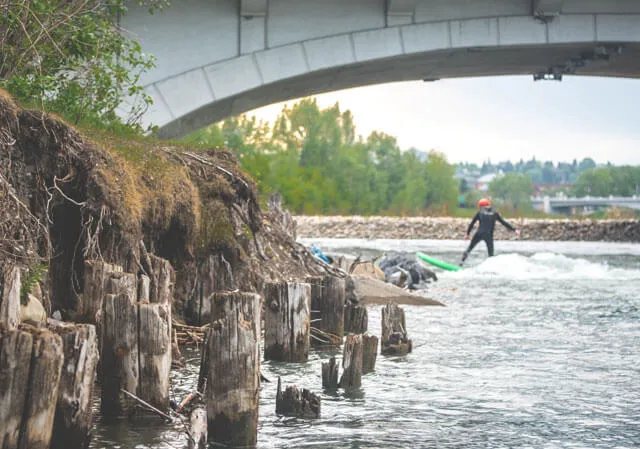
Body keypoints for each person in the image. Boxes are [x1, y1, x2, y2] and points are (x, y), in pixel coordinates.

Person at [460, 198, 520, 266]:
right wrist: (515, 230)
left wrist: (467, 234)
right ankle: (491, 267)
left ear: (481, 206)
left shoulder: (480, 212)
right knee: (491, 254)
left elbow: (472, 223)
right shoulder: (495, 213)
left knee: (469, 248)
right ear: (488, 204)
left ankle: (461, 262)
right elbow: (504, 222)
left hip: (479, 233)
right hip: (488, 236)